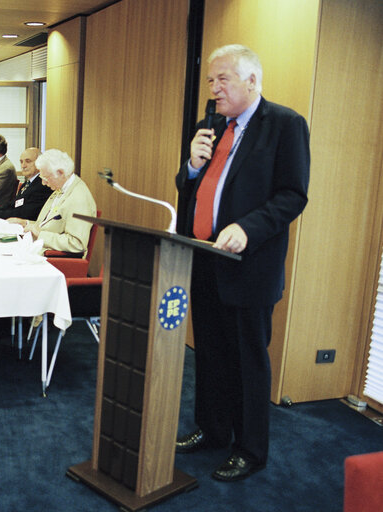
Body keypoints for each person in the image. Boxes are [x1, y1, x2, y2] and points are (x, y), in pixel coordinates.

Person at [174, 44, 310, 482]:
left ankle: (250, 449)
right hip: (205, 258)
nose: (214, 89)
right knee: (210, 351)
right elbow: (191, 187)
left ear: (252, 80)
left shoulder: (285, 125)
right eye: (211, 81)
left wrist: (249, 228)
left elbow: (293, 194)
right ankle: (212, 431)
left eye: (223, 79)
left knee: (247, 359)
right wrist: (191, 167)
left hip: (250, 266)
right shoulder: (208, 126)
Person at [8, 149, 96, 255]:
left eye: (46, 177)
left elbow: (76, 244)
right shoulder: (60, 188)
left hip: (52, 258)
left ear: (60, 172)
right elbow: (46, 223)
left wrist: (40, 234)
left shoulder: (79, 198)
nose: (43, 183)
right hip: (36, 248)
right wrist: (25, 223)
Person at [0, 147, 52, 220]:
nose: (23, 165)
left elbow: (24, 213)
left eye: (28, 161)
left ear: (40, 163)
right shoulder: (27, 183)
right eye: (21, 162)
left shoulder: (43, 185)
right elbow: (13, 204)